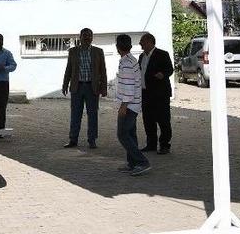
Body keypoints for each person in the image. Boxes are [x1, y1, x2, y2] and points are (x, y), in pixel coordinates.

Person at [62, 28, 107, 148]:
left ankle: (92, 140)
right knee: (75, 114)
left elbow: (103, 70)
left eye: (89, 36)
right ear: (80, 37)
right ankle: (73, 139)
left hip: (92, 88)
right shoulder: (73, 51)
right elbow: (69, 69)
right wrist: (65, 84)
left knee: (92, 115)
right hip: (77, 87)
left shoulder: (98, 51)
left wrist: (104, 87)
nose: (87, 38)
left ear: (92, 38)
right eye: (85, 35)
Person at [114, 34, 151, 176]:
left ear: (117, 47)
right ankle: (133, 163)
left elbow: (129, 87)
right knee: (130, 134)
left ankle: (142, 162)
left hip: (129, 105)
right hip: (133, 104)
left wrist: (124, 106)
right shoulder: (129, 60)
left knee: (122, 134)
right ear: (129, 46)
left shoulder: (127, 63)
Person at [138, 33, 174, 154]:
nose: (140, 44)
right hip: (145, 93)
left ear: (149, 42)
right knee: (148, 120)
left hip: (160, 94)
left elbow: (170, 69)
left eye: (142, 41)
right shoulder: (142, 56)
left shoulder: (162, 54)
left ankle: (164, 145)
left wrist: (162, 74)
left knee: (163, 120)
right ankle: (151, 144)